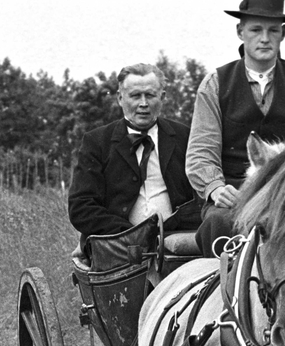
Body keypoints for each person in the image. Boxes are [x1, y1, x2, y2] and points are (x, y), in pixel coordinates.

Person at [185, 0, 285, 257]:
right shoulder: (214, 85)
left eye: (273, 30)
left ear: (283, 33)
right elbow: (200, 154)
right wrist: (215, 189)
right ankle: (225, 297)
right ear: (240, 31)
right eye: (256, 29)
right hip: (236, 197)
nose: (264, 38)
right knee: (219, 224)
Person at [68, 63, 200, 245]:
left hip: (177, 243)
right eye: (135, 96)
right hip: (116, 244)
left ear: (162, 97)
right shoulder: (97, 142)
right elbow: (81, 207)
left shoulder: (186, 137)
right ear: (120, 98)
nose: (143, 104)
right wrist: (129, 234)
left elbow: (201, 196)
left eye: (150, 95)